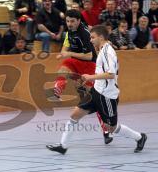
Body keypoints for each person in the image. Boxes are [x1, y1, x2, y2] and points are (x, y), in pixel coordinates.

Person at [46, 25, 147, 154]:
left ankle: (139, 137)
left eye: (93, 37)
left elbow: (111, 74)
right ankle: (63, 146)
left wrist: (90, 77)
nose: (91, 40)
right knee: (74, 115)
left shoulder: (108, 52)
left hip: (107, 96)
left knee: (111, 128)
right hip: (96, 92)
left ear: (100, 37)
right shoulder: (101, 50)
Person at [50, 9, 113, 144]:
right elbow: (64, 50)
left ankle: (107, 130)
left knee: (95, 101)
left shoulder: (85, 33)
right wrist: (64, 53)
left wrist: (70, 54)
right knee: (66, 66)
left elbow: (89, 56)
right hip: (77, 65)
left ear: (79, 21)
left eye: (73, 21)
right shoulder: (69, 33)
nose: (70, 24)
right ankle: (58, 89)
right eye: (67, 21)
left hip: (89, 66)